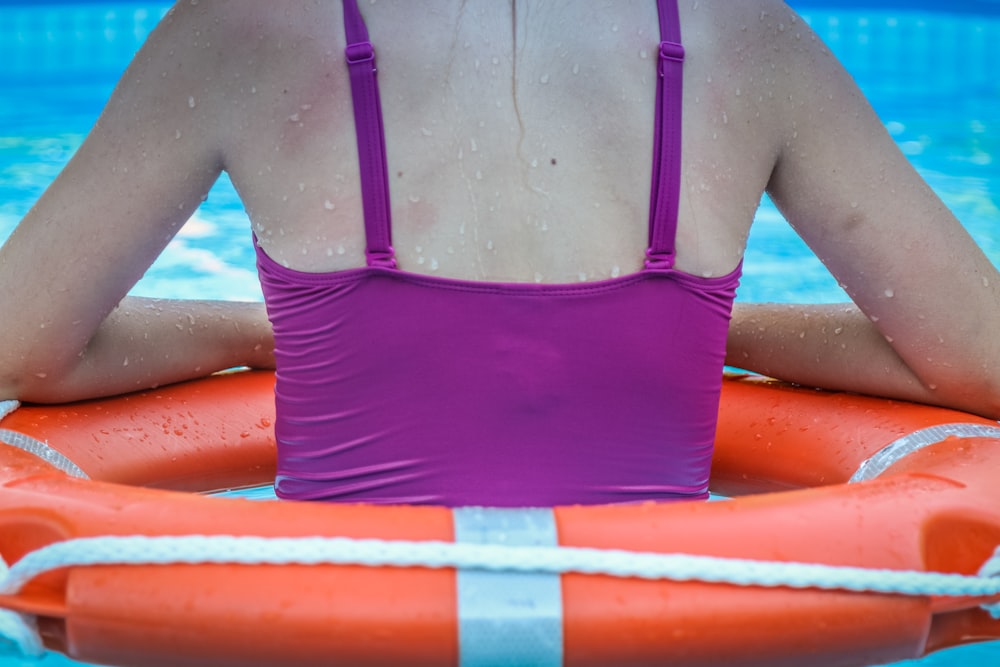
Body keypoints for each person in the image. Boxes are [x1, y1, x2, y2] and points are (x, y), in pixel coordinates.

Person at [1, 1, 998, 505]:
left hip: (327, 629)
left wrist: (278, 337)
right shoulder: (747, 38)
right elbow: (977, 359)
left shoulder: (238, 31)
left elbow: (25, 346)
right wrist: (691, 334)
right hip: (666, 631)